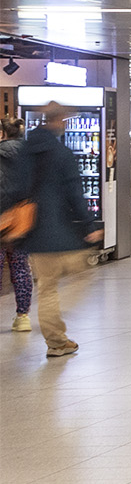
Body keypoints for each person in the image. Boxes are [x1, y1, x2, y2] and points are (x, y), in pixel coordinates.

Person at [5, 102, 103, 357]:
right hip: (62, 231)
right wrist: (89, 225)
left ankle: (57, 341)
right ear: (58, 121)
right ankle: (60, 319)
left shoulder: (25, 151)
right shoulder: (62, 153)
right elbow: (75, 193)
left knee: (47, 287)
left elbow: (16, 190)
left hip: (35, 233)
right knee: (83, 273)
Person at [0, 118, 34, 332]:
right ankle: (23, 317)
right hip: (22, 220)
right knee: (21, 268)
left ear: (3, 134)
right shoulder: (31, 157)